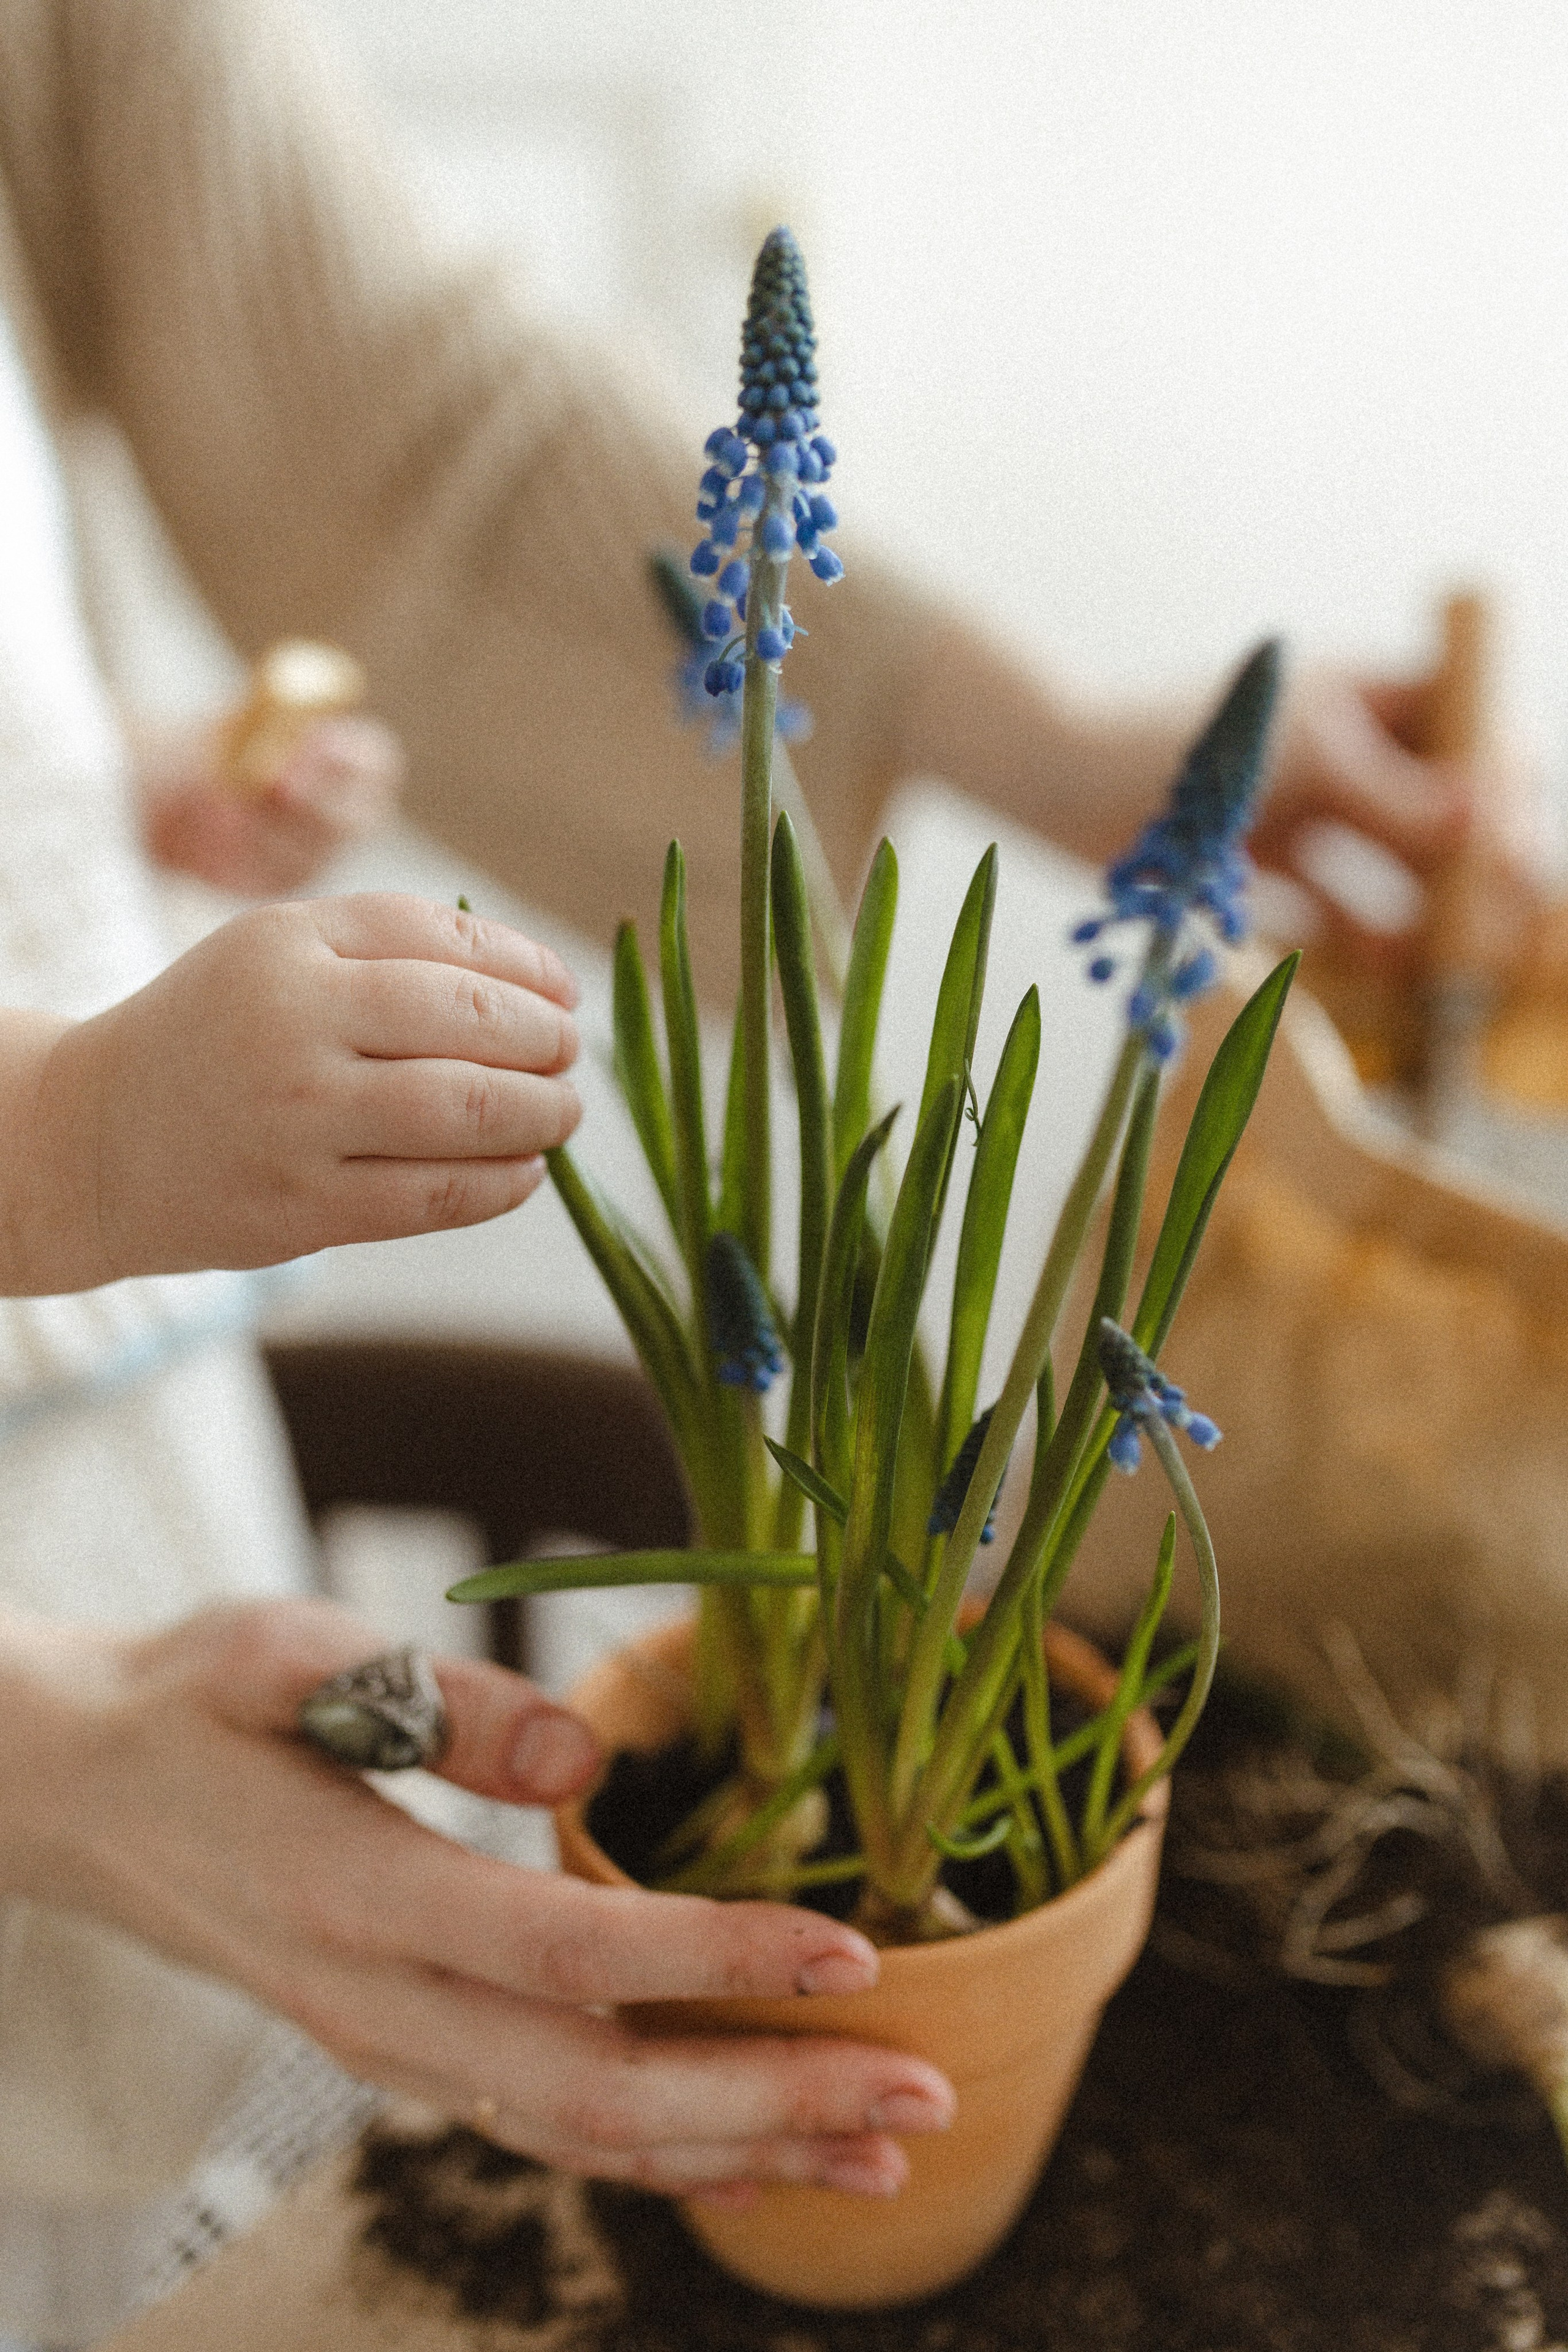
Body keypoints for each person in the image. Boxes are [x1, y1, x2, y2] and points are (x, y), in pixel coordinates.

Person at [0, 0, 1513, 2336]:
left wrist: (1091, 749)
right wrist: (56, 1143)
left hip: (97, 1497)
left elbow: (400, 418)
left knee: (147, 2201)